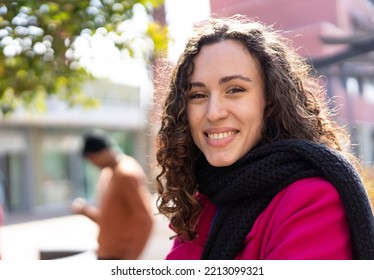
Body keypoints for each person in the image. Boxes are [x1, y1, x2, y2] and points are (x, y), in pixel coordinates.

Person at [155, 16, 374, 260]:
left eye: (235, 90)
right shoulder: (202, 199)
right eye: (197, 95)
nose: (213, 112)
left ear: (270, 101)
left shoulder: (311, 199)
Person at [72, 130, 153, 259]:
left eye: (92, 158)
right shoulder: (107, 174)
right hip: (106, 253)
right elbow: (109, 220)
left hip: (119, 256)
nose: (93, 163)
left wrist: (130, 261)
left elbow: (145, 220)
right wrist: (85, 212)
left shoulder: (125, 173)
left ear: (103, 151)